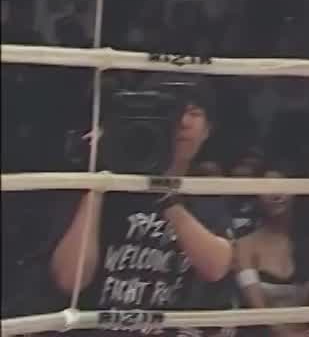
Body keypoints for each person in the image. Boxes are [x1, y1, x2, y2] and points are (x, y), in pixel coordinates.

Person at [48, 80, 237, 335]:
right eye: (173, 112)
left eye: (193, 113)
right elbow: (70, 280)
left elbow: (215, 267)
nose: (182, 122)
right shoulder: (101, 190)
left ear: (207, 130)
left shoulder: (206, 195)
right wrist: (99, 178)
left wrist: (164, 195)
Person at [233, 169, 309, 337]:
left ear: (295, 191)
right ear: (257, 194)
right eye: (268, 188)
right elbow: (256, 305)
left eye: (282, 186)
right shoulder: (245, 245)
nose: (276, 195)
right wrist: (285, 334)